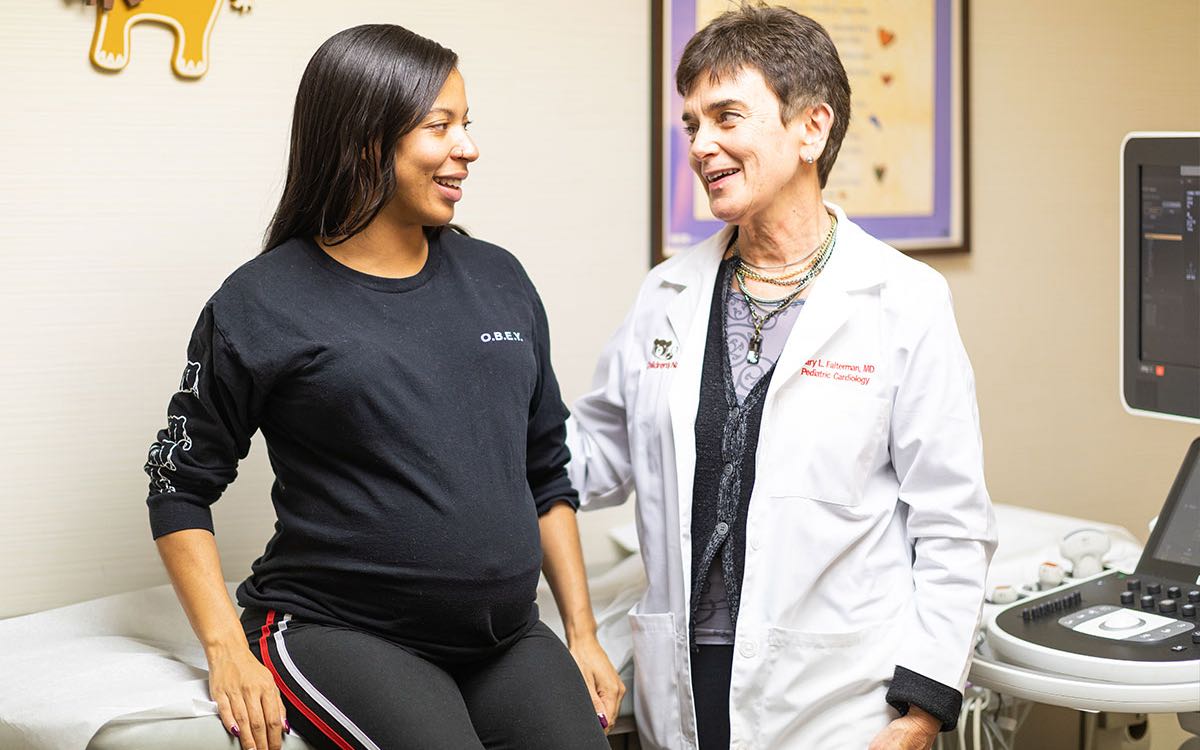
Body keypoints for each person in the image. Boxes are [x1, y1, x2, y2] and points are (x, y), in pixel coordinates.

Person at [144, 24, 621, 750]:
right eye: (441, 126)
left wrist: (581, 635)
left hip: (506, 637)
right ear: (368, 141)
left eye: (467, 124)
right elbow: (177, 483)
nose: (468, 146)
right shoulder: (263, 302)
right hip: (342, 630)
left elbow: (545, 471)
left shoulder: (500, 280)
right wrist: (226, 653)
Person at [568, 5, 996, 749]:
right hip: (687, 680)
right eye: (692, 124)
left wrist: (922, 711)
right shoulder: (667, 295)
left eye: (726, 117)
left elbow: (954, 525)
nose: (702, 146)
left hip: (840, 700)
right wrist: (473, 426)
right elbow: (592, 457)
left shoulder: (901, 300)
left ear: (812, 129)